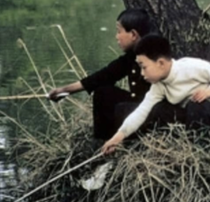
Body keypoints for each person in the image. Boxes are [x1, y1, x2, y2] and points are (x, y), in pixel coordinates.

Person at [101, 34, 210, 155]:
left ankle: (203, 150)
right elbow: (141, 111)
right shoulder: (159, 86)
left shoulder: (190, 67)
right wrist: (118, 136)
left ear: (160, 63)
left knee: (196, 106)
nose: (142, 74)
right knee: (158, 110)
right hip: (193, 118)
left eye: (144, 67)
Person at [47, 8, 155, 140]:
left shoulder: (155, 57)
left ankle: (109, 143)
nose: (116, 37)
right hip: (138, 108)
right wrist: (64, 91)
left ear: (133, 35)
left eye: (119, 31)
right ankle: (102, 144)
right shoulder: (132, 57)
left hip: (150, 115)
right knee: (103, 92)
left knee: (119, 107)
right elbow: (103, 76)